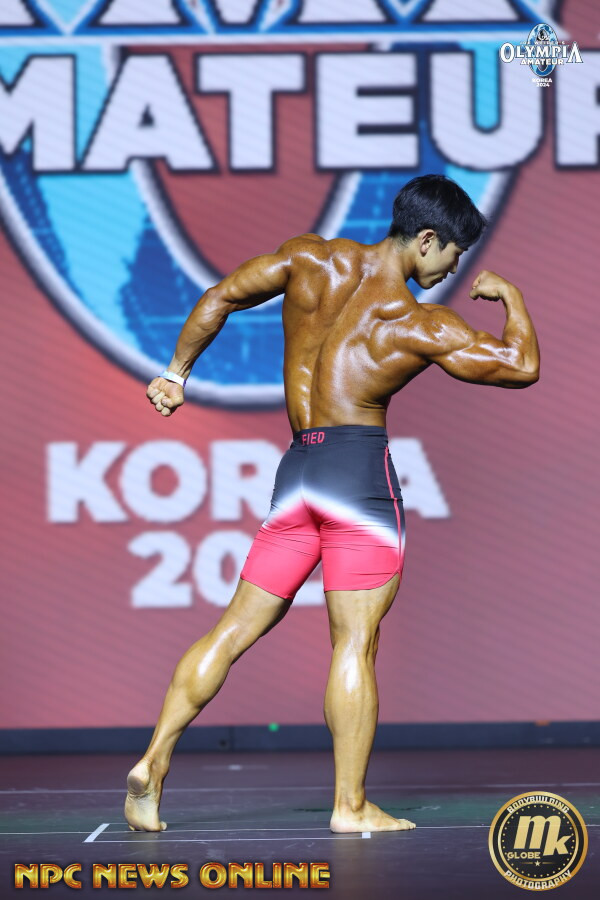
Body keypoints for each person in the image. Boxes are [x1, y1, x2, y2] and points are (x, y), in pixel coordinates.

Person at [125, 174, 539, 834]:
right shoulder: (415, 321)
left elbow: (221, 295)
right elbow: (520, 366)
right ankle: (349, 806)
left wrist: (176, 374)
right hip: (357, 481)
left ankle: (153, 761)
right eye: (453, 254)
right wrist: (511, 296)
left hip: (299, 473)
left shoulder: (309, 259)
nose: (454, 270)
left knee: (231, 631)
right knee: (354, 643)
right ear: (425, 239)